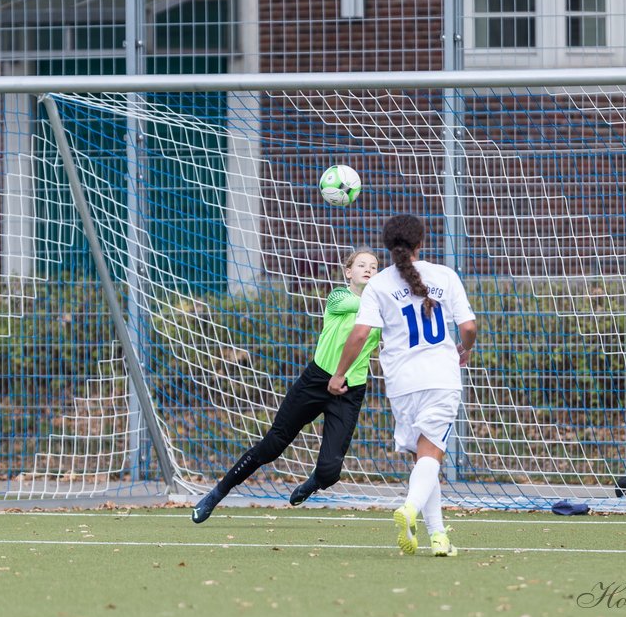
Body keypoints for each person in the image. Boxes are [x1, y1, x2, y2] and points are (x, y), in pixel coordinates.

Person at [192, 249, 383, 523]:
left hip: (350, 391)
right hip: (317, 380)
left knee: (330, 472)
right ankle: (217, 493)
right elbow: (362, 305)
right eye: (362, 265)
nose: (368, 269)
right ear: (348, 272)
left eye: (374, 267)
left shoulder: (379, 312)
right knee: (272, 446)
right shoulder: (339, 298)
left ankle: (315, 481)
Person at [327, 214, 477, 557]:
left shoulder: (379, 284)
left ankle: (438, 537)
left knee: (425, 457)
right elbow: (468, 326)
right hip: (440, 377)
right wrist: (465, 349)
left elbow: (360, 334)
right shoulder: (445, 275)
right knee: (431, 455)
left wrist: (339, 375)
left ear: (388, 245)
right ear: (421, 243)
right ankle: (409, 508)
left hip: (401, 382)